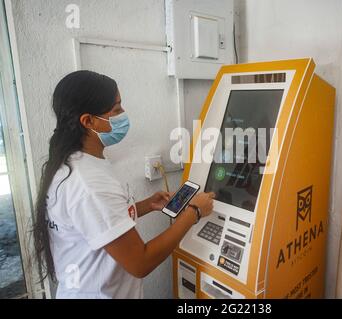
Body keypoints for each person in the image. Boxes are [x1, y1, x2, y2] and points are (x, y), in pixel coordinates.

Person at [33, 70, 215, 298]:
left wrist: (145, 205)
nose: (123, 114)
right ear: (88, 121)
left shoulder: (71, 164)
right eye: (116, 109)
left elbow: (94, 219)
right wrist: (194, 212)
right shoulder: (89, 182)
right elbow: (141, 261)